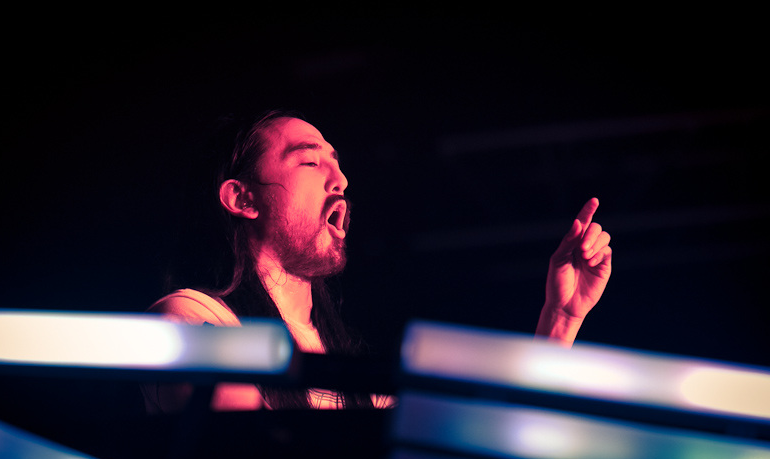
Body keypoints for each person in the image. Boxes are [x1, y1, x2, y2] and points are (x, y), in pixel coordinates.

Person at [142, 110, 612, 413]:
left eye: (337, 163)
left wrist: (560, 320)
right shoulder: (191, 319)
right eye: (309, 162)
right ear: (242, 198)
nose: (340, 179)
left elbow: (494, 445)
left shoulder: (357, 384)